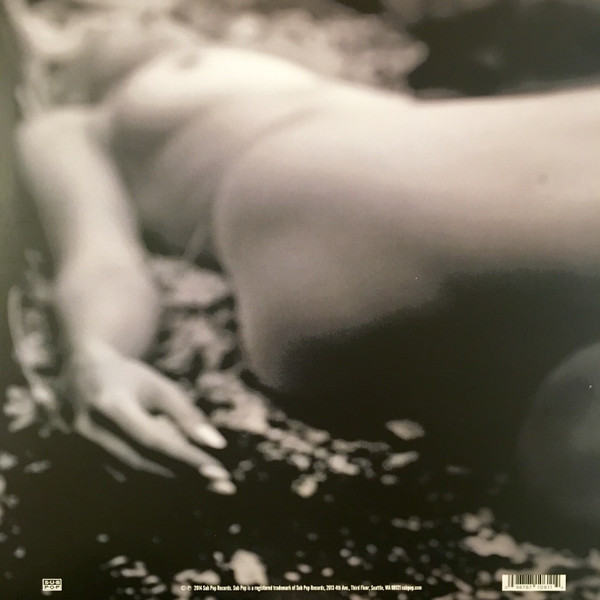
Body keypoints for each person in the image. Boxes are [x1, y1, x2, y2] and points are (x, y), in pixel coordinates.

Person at [14, 16, 600, 521]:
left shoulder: (320, 75)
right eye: (87, 16)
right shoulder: (69, 122)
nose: (143, 17)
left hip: (408, 172)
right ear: (52, 67)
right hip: (316, 192)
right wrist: (100, 354)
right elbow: (101, 254)